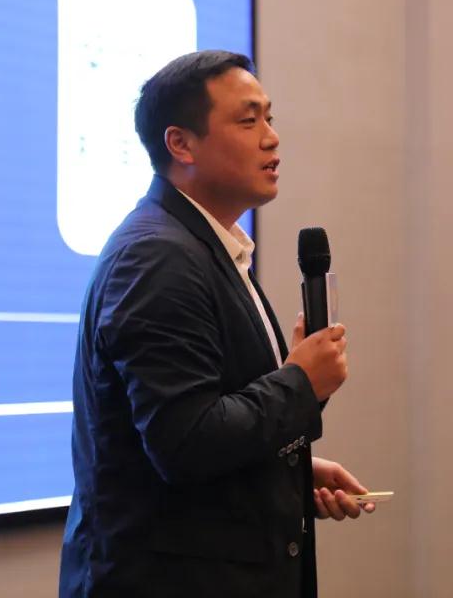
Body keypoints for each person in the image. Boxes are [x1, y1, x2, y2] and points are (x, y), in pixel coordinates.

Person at [59, 50, 374, 597]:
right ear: (180, 144)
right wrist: (300, 382)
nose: (272, 138)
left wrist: (283, 474)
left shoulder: (203, 247)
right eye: (249, 121)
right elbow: (185, 443)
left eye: (269, 118)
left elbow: (208, 421)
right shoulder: (157, 257)